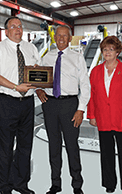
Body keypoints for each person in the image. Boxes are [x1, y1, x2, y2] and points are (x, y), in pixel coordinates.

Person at [0, 17, 39, 194]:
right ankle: (5, 186)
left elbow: (38, 70)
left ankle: (21, 184)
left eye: (20, 26)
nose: (18, 29)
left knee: (25, 146)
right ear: (6, 31)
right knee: (5, 147)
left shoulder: (30, 48)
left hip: (28, 103)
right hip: (7, 102)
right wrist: (16, 86)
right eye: (13, 27)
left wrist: (38, 74)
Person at [36, 25, 90, 194]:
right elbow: (37, 77)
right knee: (54, 145)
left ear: (70, 38)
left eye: (64, 36)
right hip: (50, 105)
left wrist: (81, 109)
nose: (61, 38)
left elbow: (85, 85)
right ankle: (55, 184)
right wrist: (38, 89)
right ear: (55, 37)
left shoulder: (78, 57)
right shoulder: (47, 57)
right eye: (58, 35)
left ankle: (77, 185)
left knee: (72, 146)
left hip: (70, 105)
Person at [87, 36, 122, 194]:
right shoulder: (95, 71)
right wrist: (91, 115)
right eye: (105, 49)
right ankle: (109, 184)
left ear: (118, 51)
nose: (107, 52)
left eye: (111, 49)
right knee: (106, 155)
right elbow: (92, 95)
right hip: (103, 119)